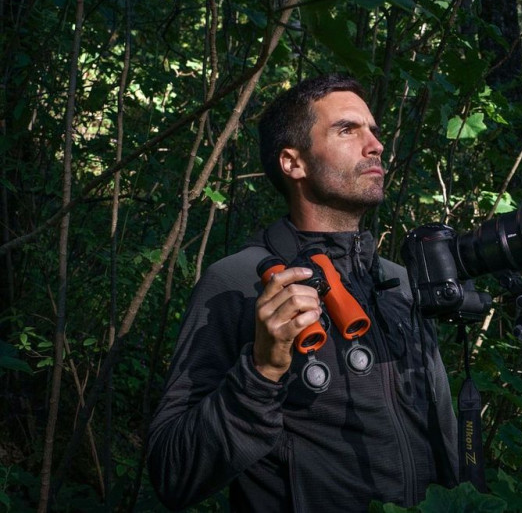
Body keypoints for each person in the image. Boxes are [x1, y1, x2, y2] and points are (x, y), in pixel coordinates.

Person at [147, 74, 458, 512]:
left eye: (373, 130)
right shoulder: (236, 283)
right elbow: (172, 474)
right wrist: (261, 372)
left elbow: (442, 438)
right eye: (347, 130)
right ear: (294, 163)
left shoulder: (401, 284)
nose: (375, 146)